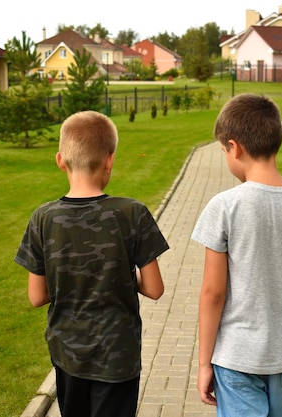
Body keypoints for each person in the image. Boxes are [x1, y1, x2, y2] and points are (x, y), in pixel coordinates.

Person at [14, 110, 169, 417]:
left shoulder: (43, 218)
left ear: (60, 160)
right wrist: (122, 279)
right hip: (118, 356)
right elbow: (154, 289)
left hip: (67, 354)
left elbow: (36, 296)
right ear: (110, 159)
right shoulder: (132, 213)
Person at [191, 94, 282, 417]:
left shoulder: (225, 206)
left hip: (236, 359)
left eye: (223, 151)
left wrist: (203, 364)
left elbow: (213, 293)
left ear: (234, 147)